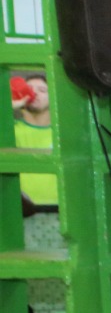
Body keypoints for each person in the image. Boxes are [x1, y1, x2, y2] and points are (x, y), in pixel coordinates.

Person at [11, 71, 56, 213]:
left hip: (59, 210)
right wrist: (9, 106)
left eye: (42, 90)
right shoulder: (9, 130)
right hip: (19, 211)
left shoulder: (63, 133)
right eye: (29, 89)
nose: (34, 93)